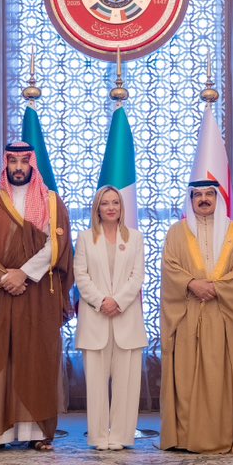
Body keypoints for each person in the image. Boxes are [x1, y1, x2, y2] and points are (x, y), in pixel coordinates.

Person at [0, 143, 74, 452]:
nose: (18, 167)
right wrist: (4, 276)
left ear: (32, 164)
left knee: (34, 358)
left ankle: (35, 431)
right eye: (12, 161)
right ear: (5, 164)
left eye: (23, 161)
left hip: (36, 293)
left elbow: (58, 245)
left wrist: (23, 273)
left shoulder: (52, 203)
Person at [159, 179, 233, 454]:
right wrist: (191, 283)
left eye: (209, 194)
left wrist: (218, 288)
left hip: (223, 315)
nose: (203, 199)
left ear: (218, 198)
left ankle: (222, 435)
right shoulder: (177, 232)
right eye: (197, 195)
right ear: (191, 200)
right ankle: (186, 436)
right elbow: (170, 267)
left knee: (220, 377)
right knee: (186, 377)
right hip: (188, 312)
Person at [74, 185, 147, 451]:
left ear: (121, 207)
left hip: (127, 319)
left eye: (115, 202)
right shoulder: (84, 238)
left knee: (126, 385)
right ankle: (98, 437)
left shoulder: (135, 238)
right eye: (105, 203)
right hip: (95, 320)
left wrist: (118, 301)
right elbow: (80, 276)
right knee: (95, 385)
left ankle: (121, 436)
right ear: (97, 208)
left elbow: (137, 276)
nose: (111, 207)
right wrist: (101, 301)